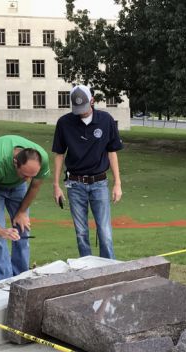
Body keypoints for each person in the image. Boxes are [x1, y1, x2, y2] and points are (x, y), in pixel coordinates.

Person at [51, 85, 123, 259]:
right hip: (75, 184)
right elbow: (59, 154)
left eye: (84, 107)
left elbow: (112, 152)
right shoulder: (64, 123)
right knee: (81, 232)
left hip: (99, 183)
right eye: (77, 109)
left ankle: (108, 269)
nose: (81, 112)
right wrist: (56, 185)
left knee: (105, 232)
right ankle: (86, 268)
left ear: (92, 101)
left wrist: (117, 183)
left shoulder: (106, 120)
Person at [0, 135, 50, 280]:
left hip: (17, 188)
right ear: (15, 163)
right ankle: (4, 281)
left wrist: (21, 212)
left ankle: (21, 278)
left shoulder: (42, 159)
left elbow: (34, 187)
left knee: (23, 229)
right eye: (25, 174)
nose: (28, 179)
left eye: (31, 176)